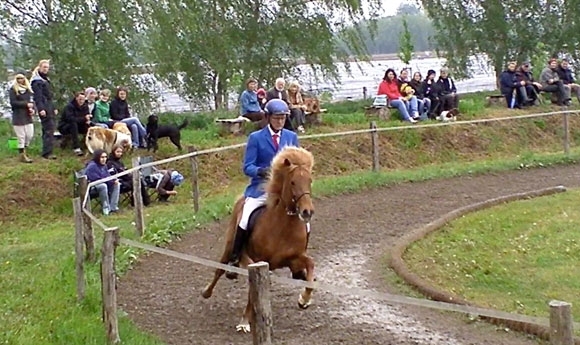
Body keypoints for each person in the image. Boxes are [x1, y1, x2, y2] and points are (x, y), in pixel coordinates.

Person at [227, 98, 300, 269]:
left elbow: (297, 164)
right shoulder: (256, 138)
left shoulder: (291, 137)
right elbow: (247, 167)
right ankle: (235, 255)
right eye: (276, 118)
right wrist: (260, 171)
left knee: (304, 218)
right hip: (260, 189)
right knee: (245, 217)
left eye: (283, 118)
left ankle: (298, 253)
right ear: (267, 117)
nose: (280, 121)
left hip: (284, 191)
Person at [30, 59, 58, 159]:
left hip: (49, 106)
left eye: (47, 67)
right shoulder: (36, 81)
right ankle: (47, 152)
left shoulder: (45, 79)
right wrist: (41, 108)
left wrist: (54, 107)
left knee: (49, 128)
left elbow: (50, 96)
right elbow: (38, 97)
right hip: (44, 107)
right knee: (48, 129)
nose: (46, 69)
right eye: (44, 67)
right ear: (40, 67)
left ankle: (48, 150)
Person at [9, 74, 35, 163]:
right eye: (18, 78)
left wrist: (33, 109)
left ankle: (25, 150)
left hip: (28, 116)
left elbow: (32, 101)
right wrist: (25, 104)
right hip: (18, 116)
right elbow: (13, 103)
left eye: (22, 78)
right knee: (21, 137)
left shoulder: (28, 90)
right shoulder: (13, 90)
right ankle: (22, 155)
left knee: (29, 135)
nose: (20, 80)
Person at [85, 149, 120, 215]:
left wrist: (113, 180)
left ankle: (113, 207)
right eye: (102, 157)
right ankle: (105, 208)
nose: (104, 159)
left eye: (105, 157)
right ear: (97, 157)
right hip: (91, 187)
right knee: (103, 186)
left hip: (104, 183)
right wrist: (110, 181)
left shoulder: (104, 166)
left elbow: (107, 176)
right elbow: (96, 179)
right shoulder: (92, 166)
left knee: (117, 184)